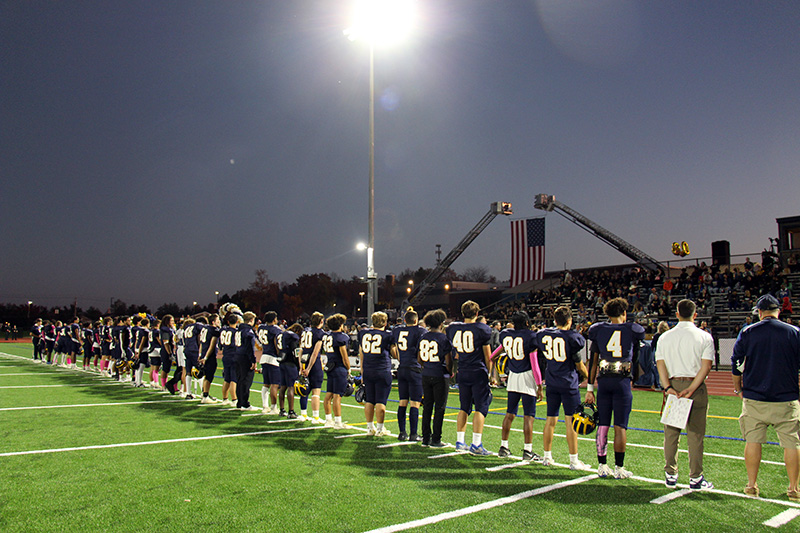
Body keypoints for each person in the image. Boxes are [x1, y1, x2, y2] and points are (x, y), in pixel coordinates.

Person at [732, 294, 800, 500]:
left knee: (753, 441)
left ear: (759, 312)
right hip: (786, 397)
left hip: (755, 397)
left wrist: (738, 390)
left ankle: (752, 485)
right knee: (792, 444)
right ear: (778, 311)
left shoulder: (748, 332)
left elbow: (736, 364)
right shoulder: (794, 332)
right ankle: (793, 488)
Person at [655, 299, 714, 490]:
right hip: (694, 387)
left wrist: (667, 387)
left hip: (673, 384)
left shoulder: (665, 337)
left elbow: (660, 364)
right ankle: (695, 477)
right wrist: (693, 387)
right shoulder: (704, 337)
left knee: (671, 434)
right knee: (695, 435)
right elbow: (706, 367)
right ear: (695, 315)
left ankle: (670, 474)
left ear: (677, 314)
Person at [585, 298, 645, 479]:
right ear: (624, 313)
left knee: (603, 425)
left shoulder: (598, 330)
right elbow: (636, 354)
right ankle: (619, 468)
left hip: (603, 381)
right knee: (620, 426)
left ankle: (602, 465)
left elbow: (593, 361)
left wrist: (589, 388)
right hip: (622, 381)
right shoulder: (632, 329)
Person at [536, 306, 591, 470]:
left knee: (550, 420)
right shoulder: (572, 337)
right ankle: (574, 460)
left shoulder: (544, 334)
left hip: (552, 383)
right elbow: (579, 364)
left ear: (555, 320)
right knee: (571, 422)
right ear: (569, 321)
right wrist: (587, 375)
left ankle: (547, 456)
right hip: (568, 383)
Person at [448, 300, 493, 455]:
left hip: (463, 370)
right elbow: (488, 357)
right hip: (477, 371)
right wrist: (489, 373)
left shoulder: (454, 328)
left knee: (464, 407)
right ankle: (476, 444)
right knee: (481, 407)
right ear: (477, 313)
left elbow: (457, 352)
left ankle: (460, 441)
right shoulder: (482, 329)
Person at [496, 311, 542, 462]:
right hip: (527, 376)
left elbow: (494, 355)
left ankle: (503, 446)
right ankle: (528, 450)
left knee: (510, 414)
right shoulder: (531, 336)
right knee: (529, 416)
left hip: (513, 377)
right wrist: (539, 384)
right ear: (527, 322)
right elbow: (534, 364)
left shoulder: (506, 334)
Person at [418, 309, 452, 447]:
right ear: (440, 323)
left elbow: (419, 359)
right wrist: (449, 372)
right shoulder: (443, 338)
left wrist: (427, 365)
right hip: (439, 374)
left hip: (426, 374)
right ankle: (436, 439)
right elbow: (448, 361)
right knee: (439, 408)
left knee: (427, 407)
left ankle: (425, 438)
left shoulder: (423, 337)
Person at [358, 311, 395, 437]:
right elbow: (393, 352)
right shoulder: (388, 335)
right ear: (385, 322)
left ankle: (370, 427)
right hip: (382, 370)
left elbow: (361, 352)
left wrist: (362, 370)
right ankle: (380, 429)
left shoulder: (363, 333)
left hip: (368, 370)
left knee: (369, 400)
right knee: (381, 401)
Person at [391, 307, 426, 441]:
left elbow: (393, 348)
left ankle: (402, 432)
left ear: (405, 320)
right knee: (415, 403)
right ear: (416, 320)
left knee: (402, 401)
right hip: (414, 368)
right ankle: (413, 434)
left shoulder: (398, 330)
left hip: (402, 367)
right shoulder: (420, 331)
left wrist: (399, 357)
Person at [322, 313, 351, 430]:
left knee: (328, 395)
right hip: (339, 368)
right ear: (340, 325)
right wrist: (348, 368)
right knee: (337, 396)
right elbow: (344, 356)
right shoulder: (341, 337)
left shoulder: (327, 336)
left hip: (330, 366)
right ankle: (338, 422)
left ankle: (328, 420)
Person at [299, 312, 326, 422]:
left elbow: (300, 349)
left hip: (304, 361)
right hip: (313, 364)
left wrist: (301, 365)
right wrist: (309, 368)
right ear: (321, 321)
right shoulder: (320, 333)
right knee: (316, 391)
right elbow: (315, 353)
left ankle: (303, 414)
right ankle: (315, 416)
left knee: (304, 388)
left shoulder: (305, 331)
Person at [256, 311, 282, 414]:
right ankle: (273, 407)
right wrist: (280, 355)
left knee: (266, 384)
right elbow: (277, 344)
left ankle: (265, 406)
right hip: (273, 358)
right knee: (274, 385)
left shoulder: (261, 327)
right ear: (274, 319)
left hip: (264, 356)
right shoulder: (275, 329)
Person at [277, 323, 303, 418]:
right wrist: (299, 365)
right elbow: (295, 352)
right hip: (290, 363)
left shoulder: (283, 334)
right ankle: (291, 411)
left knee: (283, 387)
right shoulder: (293, 336)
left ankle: (281, 410)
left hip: (282, 362)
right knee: (291, 387)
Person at [234, 311, 259, 410]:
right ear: (251, 320)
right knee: (246, 381)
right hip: (245, 357)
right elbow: (249, 348)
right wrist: (253, 360)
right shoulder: (248, 332)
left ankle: (240, 402)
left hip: (237, 356)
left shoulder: (239, 330)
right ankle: (244, 403)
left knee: (240, 380)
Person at [198, 314, 221, 403]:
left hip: (203, 353)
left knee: (206, 375)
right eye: (218, 320)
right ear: (213, 322)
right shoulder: (214, 330)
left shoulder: (205, 328)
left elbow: (201, 342)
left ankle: (204, 393)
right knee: (209, 376)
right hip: (209, 356)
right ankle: (205, 396)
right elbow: (212, 345)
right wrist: (206, 357)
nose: (219, 322)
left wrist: (200, 355)